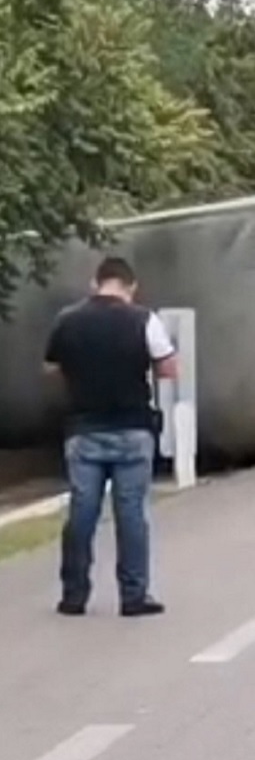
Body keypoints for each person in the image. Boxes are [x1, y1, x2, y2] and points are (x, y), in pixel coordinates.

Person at [42, 256, 174, 617]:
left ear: (94, 283)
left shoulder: (67, 320)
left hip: (83, 428)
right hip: (133, 427)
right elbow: (167, 368)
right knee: (131, 512)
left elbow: (50, 367)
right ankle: (133, 596)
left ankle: (73, 595)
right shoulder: (144, 319)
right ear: (131, 286)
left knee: (82, 512)